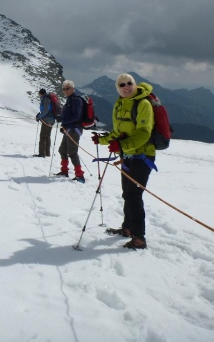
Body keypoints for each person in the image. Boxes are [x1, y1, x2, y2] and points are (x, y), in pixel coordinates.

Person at [92, 73, 155, 250]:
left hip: (143, 156)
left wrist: (121, 144)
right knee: (127, 193)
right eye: (121, 85)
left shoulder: (143, 104)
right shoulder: (119, 104)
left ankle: (139, 238)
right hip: (127, 156)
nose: (126, 86)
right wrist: (102, 140)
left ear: (134, 84)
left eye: (129, 83)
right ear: (118, 89)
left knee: (133, 195)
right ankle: (127, 228)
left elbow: (144, 133)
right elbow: (117, 132)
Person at [56, 80, 85, 183]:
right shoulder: (70, 99)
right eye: (64, 89)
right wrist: (64, 124)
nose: (65, 91)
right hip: (69, 129)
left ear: (73, 89)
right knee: (62, 150)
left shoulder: (76, 100)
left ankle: (80, 175)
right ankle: (64, 171)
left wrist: (63, 121)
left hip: (74, 130)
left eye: (67, 88)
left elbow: (76, 116)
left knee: (72, 152)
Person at [35, 88, 56, 157]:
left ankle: (42, 153)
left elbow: (45, 111)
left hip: (47, 120)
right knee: (47, 136)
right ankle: (47, 153)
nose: (39, 95)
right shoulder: (48, 99)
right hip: (51, 120)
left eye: (39, 94)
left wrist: (39, 117)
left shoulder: (45, 99)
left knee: (43, 136)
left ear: (41, 94)